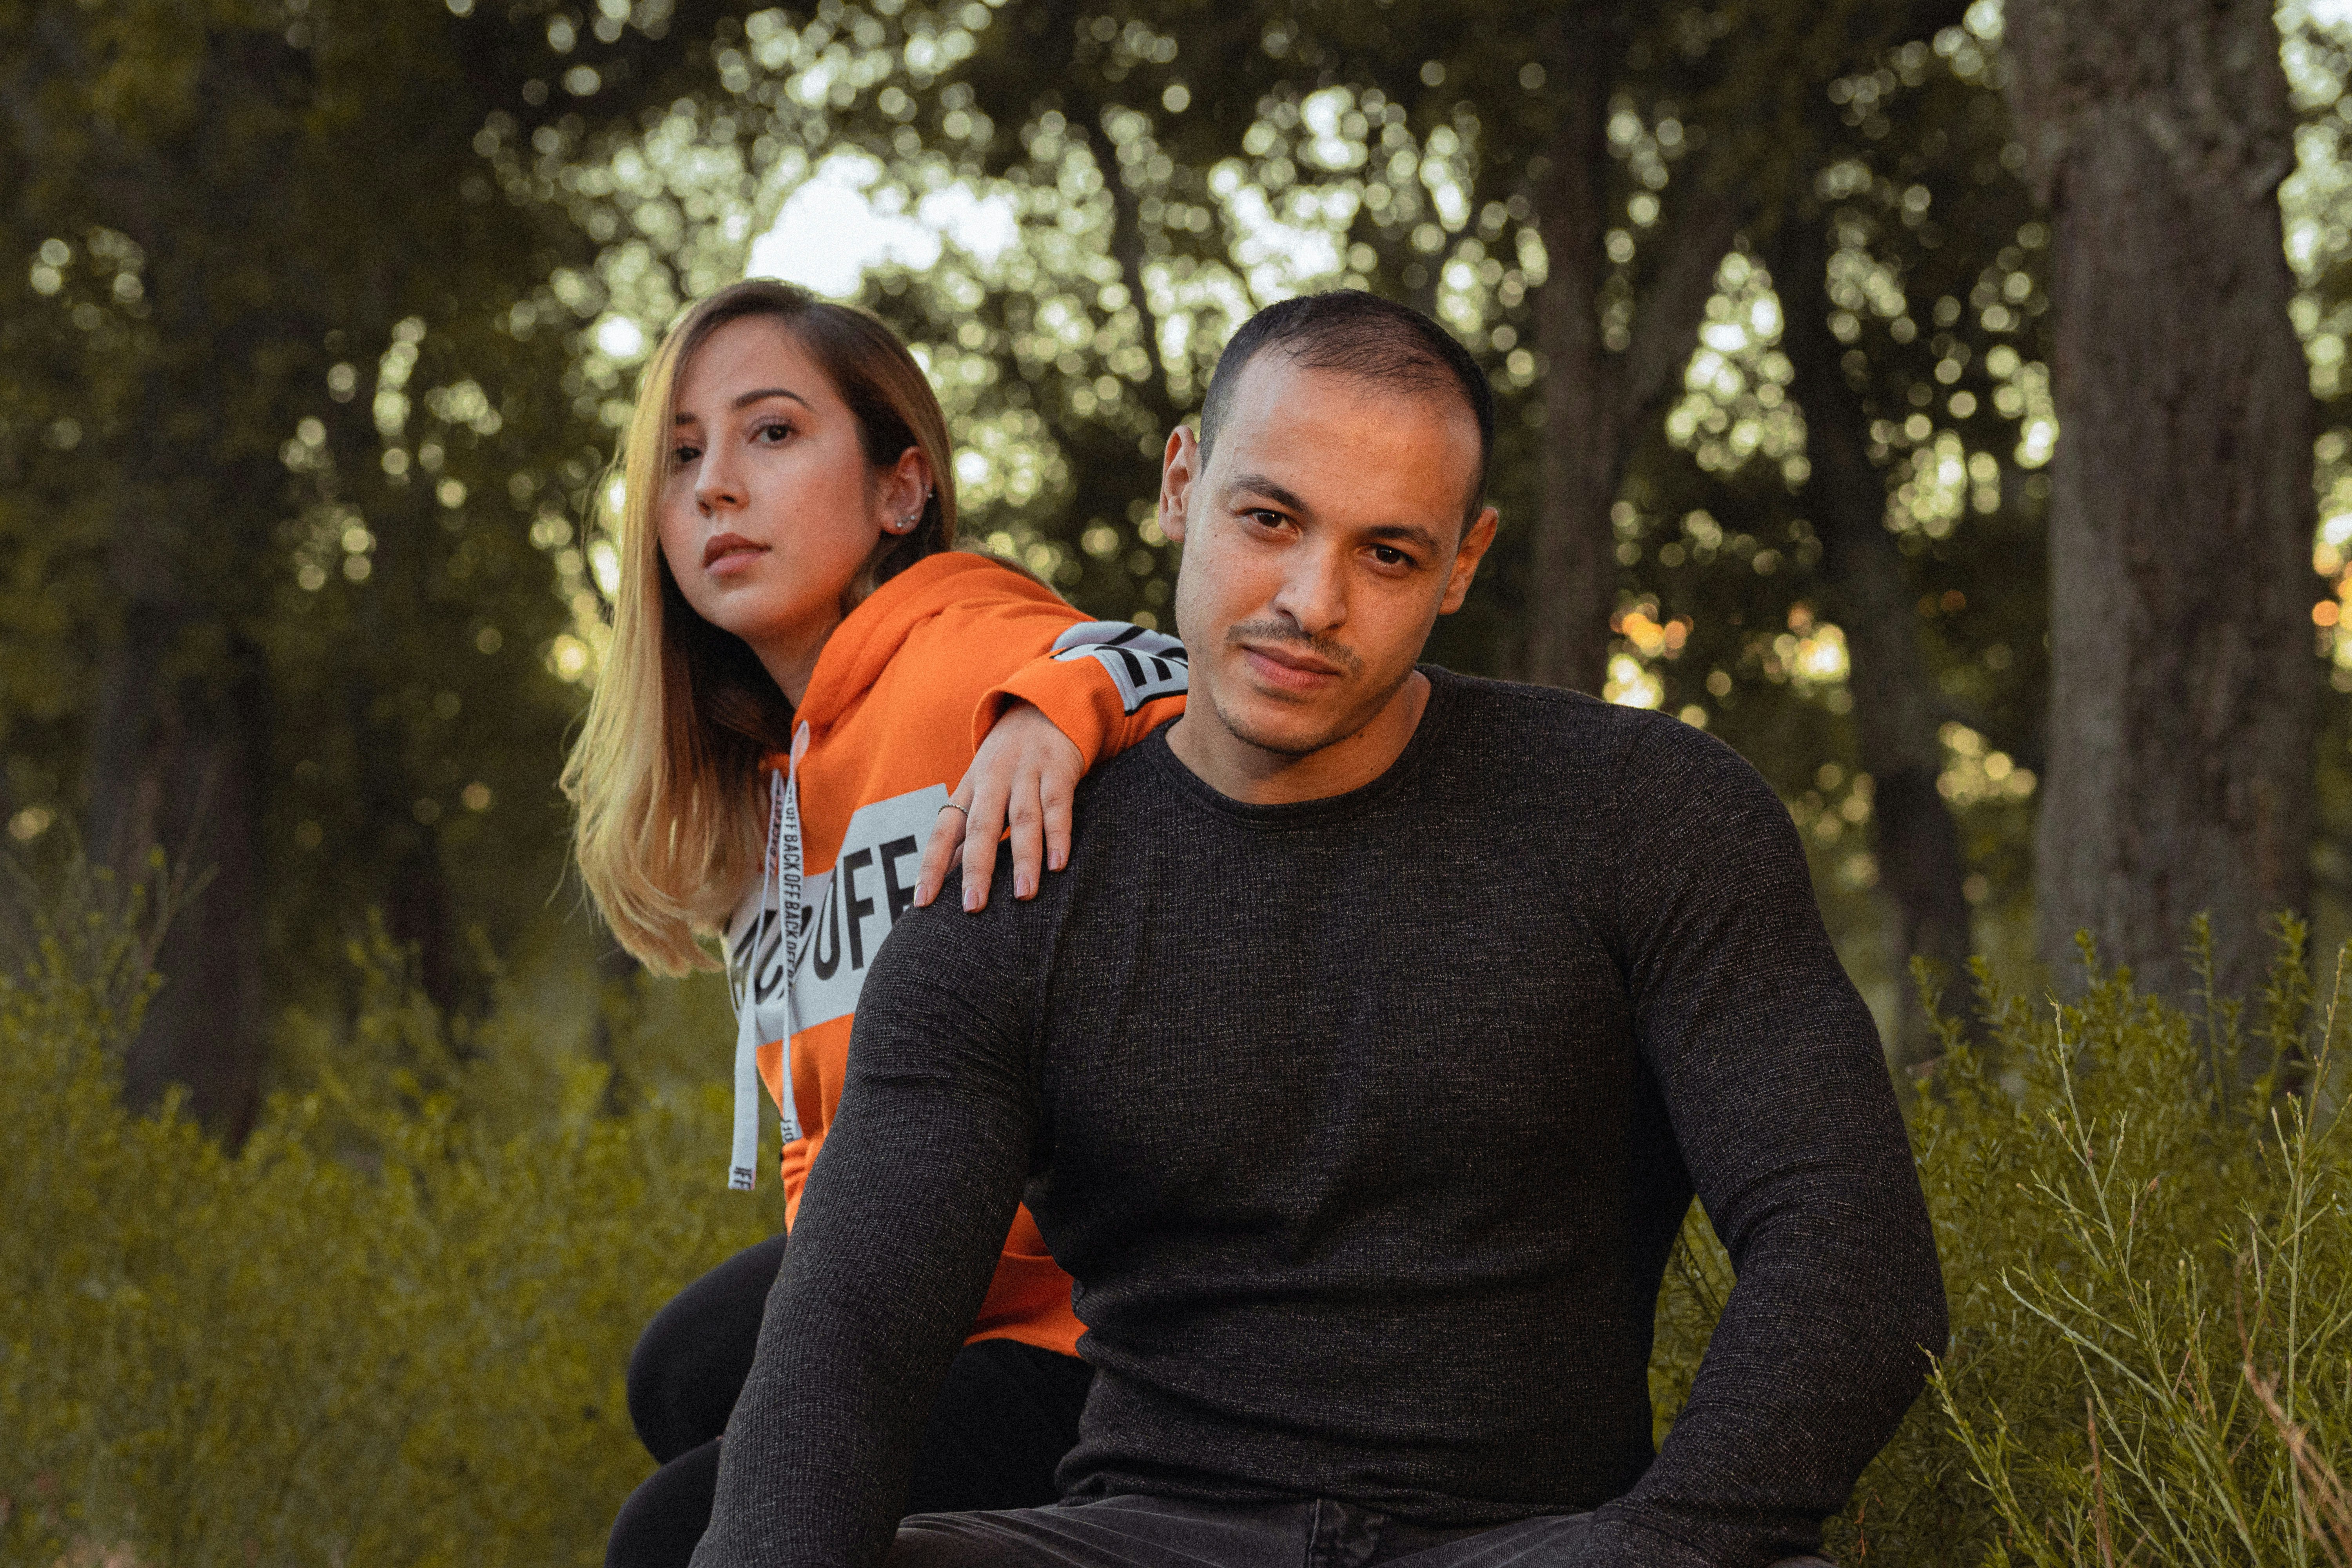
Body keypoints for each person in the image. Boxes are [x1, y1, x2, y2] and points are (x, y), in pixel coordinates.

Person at [689, 290, 1950, 1568]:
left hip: (1533, 1541)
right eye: (1270, 519)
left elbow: (1850, 1259)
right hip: (1149, 1533)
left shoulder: (1644, 814)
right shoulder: (1016, 872)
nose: (1312, 601)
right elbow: (848, 1334)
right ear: (1184, 484)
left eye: (1388, 555)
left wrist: (1664, 1544)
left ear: (1463, 562)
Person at [562, 279, 1187, 1568]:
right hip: (942, 1287)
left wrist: (1050, 707)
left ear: (901, 490)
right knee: (680, 1378)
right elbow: (821, 1149)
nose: (716, 488)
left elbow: (1170, 668)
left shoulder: (960, 648)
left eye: (771, 433)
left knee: (669, 1534)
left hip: (1092, 1328)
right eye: (682, 457)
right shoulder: (772, 793)